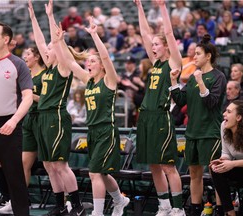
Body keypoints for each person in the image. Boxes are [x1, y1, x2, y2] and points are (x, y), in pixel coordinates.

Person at [50, 8, 130, 215]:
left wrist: (94, 34)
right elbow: (67, 62)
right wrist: (59, 41)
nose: (88, 63)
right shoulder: (88, 80)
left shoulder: (109, 80)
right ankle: (119, 200)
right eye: (88, 61)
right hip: (92, 130)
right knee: (102, 174)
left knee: (94, 172)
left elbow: (106, 56)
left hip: (107, 130)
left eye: (93, 61)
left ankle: (97, 212)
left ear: (102, 66)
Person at [28, 0, 87, 215]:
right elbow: (41, 40)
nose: (46, 50)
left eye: (51, 48)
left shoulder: (63, 66)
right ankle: (60, 205)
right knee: (48, 165)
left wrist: (52, 18)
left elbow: (53, 41)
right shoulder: (49, 69)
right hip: (43, 117)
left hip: (57, 117)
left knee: (60, 165)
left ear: (59, 50)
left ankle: (78, 206)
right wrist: (34, 18)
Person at [134, 0, 185, 215]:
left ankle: (178, 208)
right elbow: (145, 33)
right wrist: (139, 8)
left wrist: (163, 8)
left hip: (162, 116)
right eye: (152, 45)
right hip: (146, 116)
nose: (153, 47)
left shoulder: (173, 63)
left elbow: (170, 34)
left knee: (168, 166)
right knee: (153, 165)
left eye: (157, 44)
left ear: (165, 46)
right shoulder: (154, 63)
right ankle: (164, 205)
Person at [0, 21, 33, 216]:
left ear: (6, 39)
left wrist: (14, 120)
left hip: (9, 126)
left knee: (15, 179)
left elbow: (28, 97)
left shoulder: (18, 64)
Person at [170, 34, 226, 216]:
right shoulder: (193, 78)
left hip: (210, 132)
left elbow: (212, 102)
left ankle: (220, 209)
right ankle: (195, 208)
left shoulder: (218, 76)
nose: (194, 57)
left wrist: (201, 81)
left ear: (208, 56)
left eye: (198, 54)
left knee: (216, 173)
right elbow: (180, 100)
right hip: (192, 132)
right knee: (194, 173)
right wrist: (174, 82)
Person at [0, 45, 47, 215]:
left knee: (54, 165)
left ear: (37, 57)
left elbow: (49, 100)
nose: (25, 57)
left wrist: (29, 95)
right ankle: (17, 201)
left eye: (28, 54)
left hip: (43, 120)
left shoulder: (44, 76)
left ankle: (66, 201)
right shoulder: (26, 76)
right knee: (21, 164)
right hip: (27, 121)